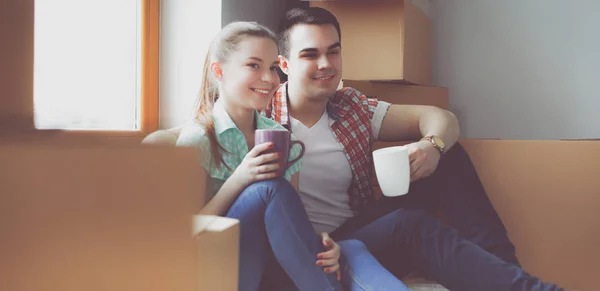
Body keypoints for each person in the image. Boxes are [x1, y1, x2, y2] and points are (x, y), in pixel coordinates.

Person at [261, 7, 567, 290]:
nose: (325, 64)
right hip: (312, 251)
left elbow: (440, 117)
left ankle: (506, 271)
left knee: (448, 154)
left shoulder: (350, 106)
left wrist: (431, 146)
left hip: (359, 231)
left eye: (333, 51)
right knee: (409, 225)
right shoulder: (263, 118)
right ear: (284, 64)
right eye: (310, 54)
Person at [176, 21, 410, 291]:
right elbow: (185, 233)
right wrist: (240, 179)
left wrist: (322, 243)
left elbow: (292, 219)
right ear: (219, 71)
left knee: (349, 248)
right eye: (254, 65)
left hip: (276, 265)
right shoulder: (197, 139)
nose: (269, 78)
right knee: (269, 189)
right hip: (220, 269)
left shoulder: (279, 135)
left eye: (273, 68)